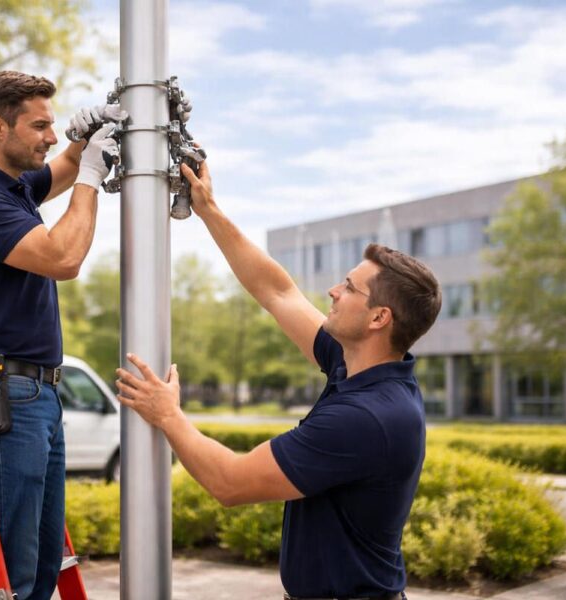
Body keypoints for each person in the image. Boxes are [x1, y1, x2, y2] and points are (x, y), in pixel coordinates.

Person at [115, 160, 442, 600]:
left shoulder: (367, 417)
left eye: (349, 287)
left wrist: (169, 414)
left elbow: (230, 483)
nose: (333, 291)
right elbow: (278, 292)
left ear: (379, 318)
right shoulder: (357, 366)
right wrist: (208, 209)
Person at [0, 70, 117, 599]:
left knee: (37, 570)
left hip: (35, 396)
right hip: (2, 396)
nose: (51, 137)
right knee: (7, 576)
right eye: (40, 126)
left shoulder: (11, 189)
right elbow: (63, 258)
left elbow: (58, 170)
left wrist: (88, 136)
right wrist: (90, 174)